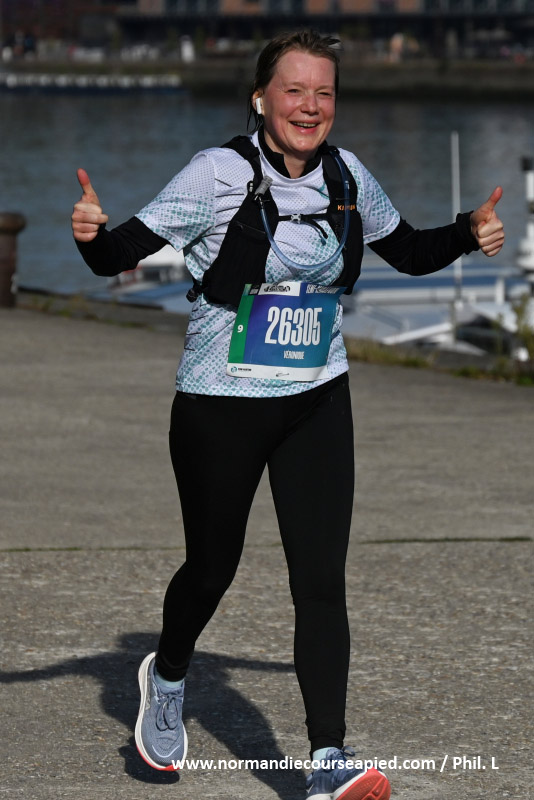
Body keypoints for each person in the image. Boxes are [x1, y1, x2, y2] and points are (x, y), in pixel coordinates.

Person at [72, 29, 505, 800]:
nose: (310, 106)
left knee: (321, 580)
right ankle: (167, 675)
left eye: (324, 92)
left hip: (317, 398)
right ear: (261, 98)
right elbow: (115, 256)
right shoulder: (215, 173)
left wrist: (469, 232)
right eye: (295, 90)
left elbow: (408, 251)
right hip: (221, 403)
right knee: (212, 568)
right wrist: (90, 234)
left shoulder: (347, 175)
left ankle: (327, 757)